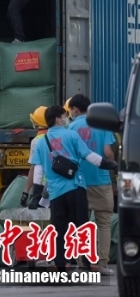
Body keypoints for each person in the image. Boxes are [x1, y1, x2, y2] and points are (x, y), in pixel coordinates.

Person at [27, 105, 119, 272]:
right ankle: (88, 262)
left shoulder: (42, 142)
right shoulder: (71, 135)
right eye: (64, 116)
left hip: (55, 193)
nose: (66, 119)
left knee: (59, 228)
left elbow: (38, 171)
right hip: (75, 187)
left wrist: (36, 194)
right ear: (57, 119)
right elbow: (90, 156)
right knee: (82, 226)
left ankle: (61, 263)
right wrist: (111, 165)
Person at [68, 94, 116, 275]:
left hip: (78, 183)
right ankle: (102, 264)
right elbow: (108, 154)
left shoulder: (71, 127)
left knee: (81, 224)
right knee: (104, 223)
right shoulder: (102, 125)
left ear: (75, 109)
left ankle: (82, 264)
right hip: (101, 181)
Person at [20, 106, 51, 210]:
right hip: (58, 185)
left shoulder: (36, 141)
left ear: (36, 123)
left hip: (42, 188)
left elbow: (33, 169)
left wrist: (26, 192)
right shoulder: (58, 136)